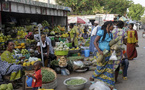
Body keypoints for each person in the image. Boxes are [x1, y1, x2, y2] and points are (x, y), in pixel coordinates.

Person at [90, 21, 114, 90]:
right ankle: (92, 78)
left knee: (109, 69)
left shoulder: (111, 34)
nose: (113, 27)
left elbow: (110, 44)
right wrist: (99, 51)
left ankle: (110, 85)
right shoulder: (101, 32)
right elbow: (95, 42)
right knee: (100, 68)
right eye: (112, 25)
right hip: (101, 54)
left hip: (108, 54)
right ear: (108, 25)